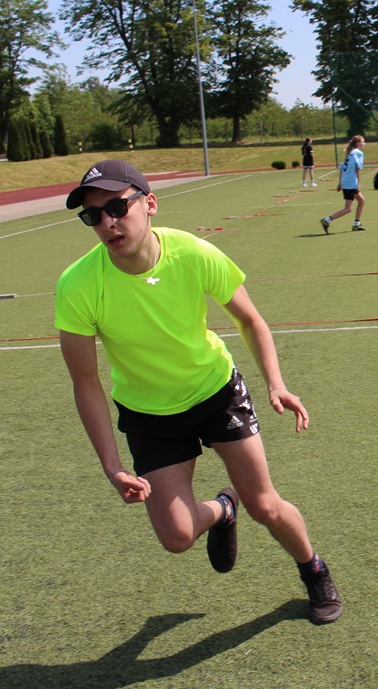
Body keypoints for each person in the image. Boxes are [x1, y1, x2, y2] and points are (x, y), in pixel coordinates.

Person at [56, 159, 342, 626]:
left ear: (149, 204)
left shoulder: (192, 252)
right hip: (148, 413)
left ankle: (313, 569)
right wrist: (113, 467)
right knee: (176, 537)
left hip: (215, 393)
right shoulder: (78, 284)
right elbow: (85, 382)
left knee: (264, 505)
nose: (107, 222)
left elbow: (250, 319)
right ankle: (223, 509)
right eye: (93, 215)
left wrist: (276, 383)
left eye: (117, 207)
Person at [321, 135, 368, 233]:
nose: (364, 143)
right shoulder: (358, 153)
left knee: (361, 201)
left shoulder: (350, 152)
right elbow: (357, 169)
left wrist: (340, 183)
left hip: (346, 182)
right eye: (363, 141)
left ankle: (356, 224)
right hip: (351, 182)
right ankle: (327, 220)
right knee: (348, 209)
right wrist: (357, 184)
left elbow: (342, 169)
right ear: (358, 143)